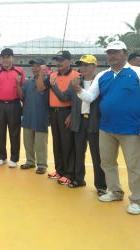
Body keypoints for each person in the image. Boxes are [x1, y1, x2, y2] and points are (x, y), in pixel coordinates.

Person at [74, 41, 140, 215]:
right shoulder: (102, 75)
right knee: (107, 162)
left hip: (132, 129)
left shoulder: (137, 72)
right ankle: (115, 191)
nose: (112, 55)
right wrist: (78, 89)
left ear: (125, 54)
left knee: (134, 165)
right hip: (106, 127)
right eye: (109, 52)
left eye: (116, 52)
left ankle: (137, 200)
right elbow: (89, 97)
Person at [50, 55, 106, 193]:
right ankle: (79, 179)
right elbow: (64, 98)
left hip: (94, 122)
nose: (84, 68)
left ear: (95, 66)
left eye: (87, 65)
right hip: (79, 122)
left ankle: (101, 186)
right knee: (78, 153)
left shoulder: (101, 83)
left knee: (96, 156)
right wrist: (54, 85)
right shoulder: (76, 82)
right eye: (82, 65)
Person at [0, 48, 25, 167]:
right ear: (1, 59)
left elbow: (22, 89)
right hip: (0, 104)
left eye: (8, 57)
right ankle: (1, 157)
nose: (6, 59)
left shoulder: (19, 71)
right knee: (0, 132)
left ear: (13, 58)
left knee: (15, 132)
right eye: (4, 57)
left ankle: (14, 158)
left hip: (15, 104)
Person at [46, 51, 79, 185]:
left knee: (67, 144)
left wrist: (71, 114)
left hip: (67, 113)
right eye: (57, 60)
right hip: (54, 112)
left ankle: (69, 173)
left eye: (62, 60)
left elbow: (75, 100)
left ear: (69, 61)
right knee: (57, 142)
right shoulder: (52, 75)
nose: (58, 62)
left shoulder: (75, 76)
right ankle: (59, 170)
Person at [19, 58, 49, 174]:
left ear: (43, 67)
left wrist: (41, 75)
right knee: (27, 142)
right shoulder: (27, 82)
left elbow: (41, 89)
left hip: (41, 117)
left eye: (37, 66)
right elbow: (22, 96)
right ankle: (30, 161)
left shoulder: (47, 82)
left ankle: (42, 164)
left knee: (41, 143)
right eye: (33, 66)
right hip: (28, 116)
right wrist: (17, 84)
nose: (34, 68)